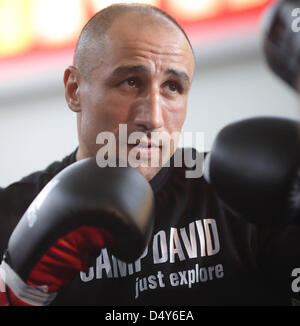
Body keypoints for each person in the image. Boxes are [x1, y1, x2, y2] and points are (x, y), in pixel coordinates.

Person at [0, 3, 299, 306]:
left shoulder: (243, 197)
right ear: (74, 90)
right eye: (131, 82)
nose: (153, 118)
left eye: (172, 87)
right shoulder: (11, 218)